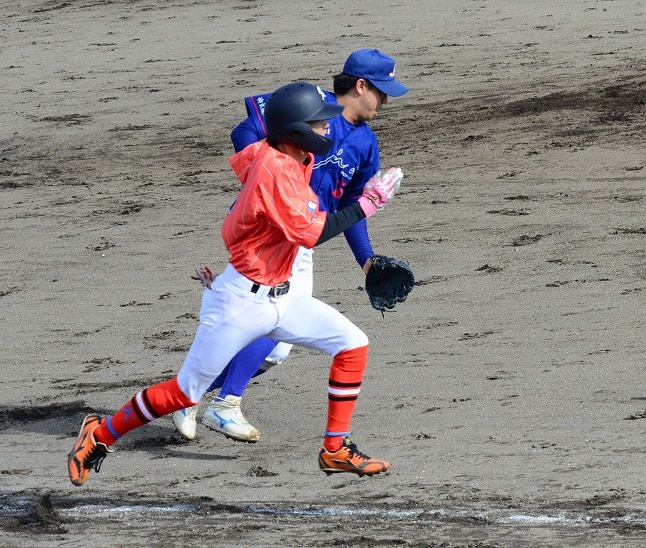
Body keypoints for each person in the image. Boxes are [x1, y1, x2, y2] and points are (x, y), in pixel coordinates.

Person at [68, 81, 404, 486]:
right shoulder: (277, 171)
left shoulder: (285, 154)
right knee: (184, 393)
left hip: (283, 297)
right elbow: (311, 234)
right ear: (296, 131)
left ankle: (335, 449)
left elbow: (249, 149)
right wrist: (368, 203)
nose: (328, 128)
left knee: (352, 345)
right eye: (319, 123)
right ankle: (100, 434)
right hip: (241, 303)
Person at [172, 49, 409, 443]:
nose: (385, 100)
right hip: (269, 235)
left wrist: (366, 260)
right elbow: (244, 129)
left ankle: (188, 395)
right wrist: (263, 177)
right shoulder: (308, 107)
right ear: (360, 86)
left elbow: (352, 208)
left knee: (274, 347)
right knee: (272, 325)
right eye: (381, 91)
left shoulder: (365, 143)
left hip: (304, 240)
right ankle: (222, 402)